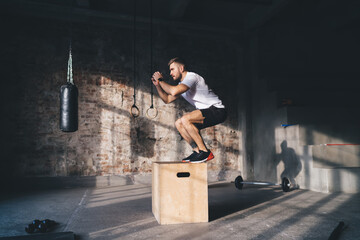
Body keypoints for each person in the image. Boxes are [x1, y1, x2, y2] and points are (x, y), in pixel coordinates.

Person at [151, 57, 227, 163]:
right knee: (179, 123)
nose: (170, 73)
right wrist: (158, 86)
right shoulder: (181, 85)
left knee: (186, 119)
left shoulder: (192, 77)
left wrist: (160, 80)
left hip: (217, 110)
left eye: (172, 69)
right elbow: (167, 99)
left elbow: (173, 91)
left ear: (181, 68)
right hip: (208, 111)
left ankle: (205, 152)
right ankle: (197, 152)